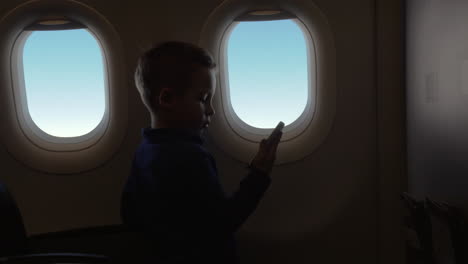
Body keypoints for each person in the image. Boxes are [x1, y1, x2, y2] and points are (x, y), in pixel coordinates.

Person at [121, 41, 283, 264]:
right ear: (167, 99)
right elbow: (223, 223)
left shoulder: (146, 150)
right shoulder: (190, 157)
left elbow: (129, 213)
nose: (211, 110)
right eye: (203, 98)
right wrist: (259, 175)